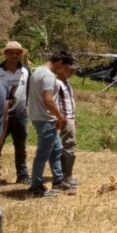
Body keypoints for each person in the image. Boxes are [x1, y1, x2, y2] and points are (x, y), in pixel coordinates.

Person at [27, 51, 77, 197]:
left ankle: (58, 180)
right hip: (45, 119)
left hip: (40, 117)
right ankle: (36, 187)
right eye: (64, 67)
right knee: (43, 154)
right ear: (59, 63)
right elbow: (48, 100)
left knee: (57, 149)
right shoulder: (48, 76)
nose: (64, 71)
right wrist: (60, 117)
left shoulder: (37, 71)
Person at [0, 41, 31, 184]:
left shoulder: (26, 71)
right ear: (5, 54)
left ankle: (22, 174)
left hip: (20, 114)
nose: (14, 55)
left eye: (17, 53)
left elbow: (29, 91)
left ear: (21, 55)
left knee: (21, 147)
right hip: (1, 116)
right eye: (11, 52)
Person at [56, 65, 79, 188]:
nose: (72, 73)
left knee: (69, 145)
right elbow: (56, 102)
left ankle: (66, 174)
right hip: (64, 119)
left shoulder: (67, 83)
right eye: (70, 70)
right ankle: (66, 176)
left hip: (69, 118)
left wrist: (73, 118)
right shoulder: (57, 83)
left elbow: (70, 102)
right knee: (68, 146)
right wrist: (60, 118)